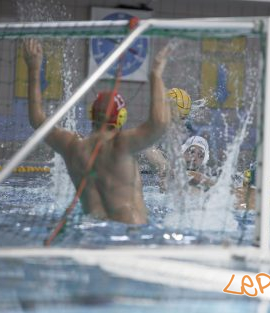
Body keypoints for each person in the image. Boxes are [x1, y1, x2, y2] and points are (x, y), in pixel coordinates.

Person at [23, 39, 171, 224]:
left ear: (91, 114)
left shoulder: (72, 146)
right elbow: (159, 123)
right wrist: (156, 75)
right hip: (130, 236)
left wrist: (33, 68)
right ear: (121, 117)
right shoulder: (121, 145)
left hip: (92, 232)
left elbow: (37, 119)